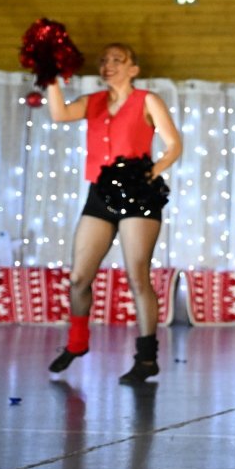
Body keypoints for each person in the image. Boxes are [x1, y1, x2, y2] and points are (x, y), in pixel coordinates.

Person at [45, 44, 182, 384]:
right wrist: (49, 76)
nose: (108, 65)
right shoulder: (92, 102)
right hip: (101, 193)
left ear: (133, 69)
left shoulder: (147, 100)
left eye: (117, 60)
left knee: (137, 276)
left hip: (137, 193)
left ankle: (147, 357)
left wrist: (150, 173)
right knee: (79, 278)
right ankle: (77, 342)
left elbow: (174, 145)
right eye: (104, 60)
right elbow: (59, 114)